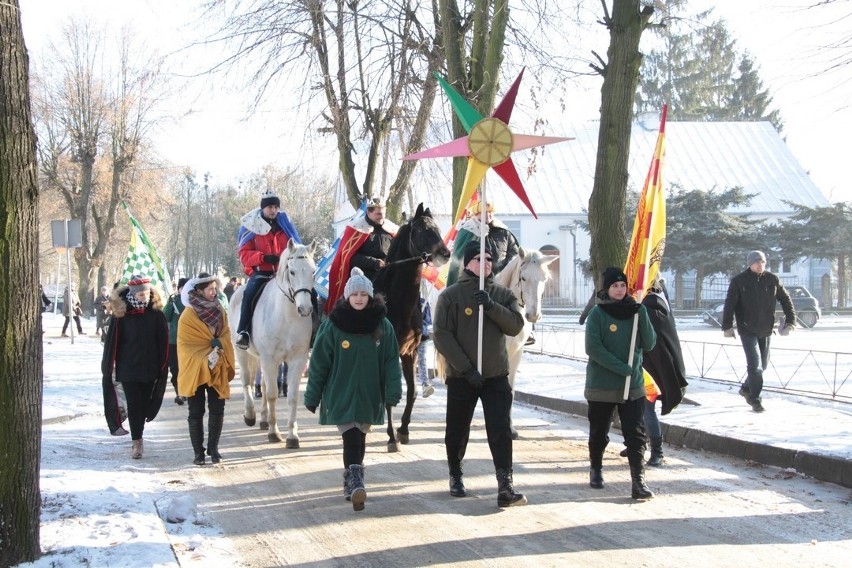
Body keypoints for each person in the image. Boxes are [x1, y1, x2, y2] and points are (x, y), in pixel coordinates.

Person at [432, 239, 527, 507]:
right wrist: (467, 369)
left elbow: (515, 326)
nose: (484, 264)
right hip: (464, 377)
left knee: (500, 430)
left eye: (488, 260)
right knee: (457, 430)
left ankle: (505, 484)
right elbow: (442, 336)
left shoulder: (502, 294)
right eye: (478, 259)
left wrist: (492, 307)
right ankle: (455, 473)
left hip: (496, 376)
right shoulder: (451, 296)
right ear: (467, 262)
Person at [304, 267, 402, 512]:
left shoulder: (382, 325)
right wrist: (313, 394)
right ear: (347, 296)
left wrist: (393, 390)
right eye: (354, 293)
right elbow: (319, 362)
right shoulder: (334, 325)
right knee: (352, 436)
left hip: (370, 393)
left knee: (360, 435)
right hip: (341, 391)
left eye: (363, 294)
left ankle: (351, 478)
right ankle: (357, 481)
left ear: (370, 297)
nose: (359, 298)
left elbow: (391, 360)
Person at [584, 267, 656, 500]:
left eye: (622, 285)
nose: (619, 289)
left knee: (635, 434)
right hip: (602, 385)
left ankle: (638, 481)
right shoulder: (598, 313)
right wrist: (621, 368)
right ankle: (596, 468)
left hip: (632, 386)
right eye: (615, 286)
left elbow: (650, 343)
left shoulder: (636, 312)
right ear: (607, 288)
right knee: (599, 432)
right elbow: (593, 349)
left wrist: (642, 314)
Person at [101, 275, 169, 459]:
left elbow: (163, 342)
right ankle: (136, 442)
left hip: (150, 369)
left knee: (144, 405)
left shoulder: (156, 315)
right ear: (133, 295)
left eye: (147, 293)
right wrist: (110, 367)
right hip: (128, 368)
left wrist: (163, 367)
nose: (145, 297)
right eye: (141, 295)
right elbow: (112, 343)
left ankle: (139, 432)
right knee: (134, 404)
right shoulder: (121, 316)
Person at [722, 250, 796, 413]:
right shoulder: (739, 281)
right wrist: (727, 326)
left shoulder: (772, 279)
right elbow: (730, 304)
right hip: (747, 329)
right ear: (750, 264)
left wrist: (791, 321)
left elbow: (785, 299)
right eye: (757, 262)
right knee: (755, 366)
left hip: (766, 329)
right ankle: (755, 399)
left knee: (763, 365)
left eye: (762, 262)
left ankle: (746, 388)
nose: (760, 265)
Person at [177, 273, 236, 466]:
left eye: (215, 288)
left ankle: (214, 448)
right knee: (196, 410)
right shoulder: (188, 315)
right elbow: (185, 345)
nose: (214, 292)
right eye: (210, 289)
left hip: (217, 365)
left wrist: (221, 344)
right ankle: (198, 452)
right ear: (200, 291)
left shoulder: (220, 310)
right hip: (195, 368)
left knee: (217, 409)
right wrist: (204, 357)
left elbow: (226, 334)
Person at [235, 189, 302, 349]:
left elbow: (296, 247)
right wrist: (263, 257)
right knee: (249, 292)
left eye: (276, 207)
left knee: (308, 291)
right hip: (262, 272)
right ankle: (243, 331)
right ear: (263, 208)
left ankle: (313, 329)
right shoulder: (251, 228)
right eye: (270, 207)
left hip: (285, 272)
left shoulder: (285, 225)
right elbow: (244, 255)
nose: (273, 210)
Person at [637, 277, 689, 467]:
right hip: (636, 366)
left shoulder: (654, 308)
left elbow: (659, 345)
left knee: (647, 410)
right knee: (633, 409)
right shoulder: (641, 306)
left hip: (650, 371)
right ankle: (638, 444)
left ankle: (657, 451)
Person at [324, 197, 399, 313]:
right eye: (378, 213)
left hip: (388, 276)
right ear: (369, 212)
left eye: (383, 213)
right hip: (363, 277)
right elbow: (349, 256)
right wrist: (374, 262)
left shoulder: (391, 229)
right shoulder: (355, 228)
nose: (382, 216)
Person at [163, 278, 190, 406]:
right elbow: (165, 317)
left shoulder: (194, 302)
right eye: (183, 288)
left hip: (190, 340)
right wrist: (170, 304)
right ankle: (179, 392)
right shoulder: (173, 301)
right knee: (175, 368)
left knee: (189, 367)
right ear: (179, 289)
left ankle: (189, 391)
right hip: (174, 340)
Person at [417, 294, 435, 398]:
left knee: (422, 360)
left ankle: (425, 384)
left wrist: (421, 320)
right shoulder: (404, 300)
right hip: (406, 337)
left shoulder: (424, 301)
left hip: (421, 335)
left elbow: (428, 320)